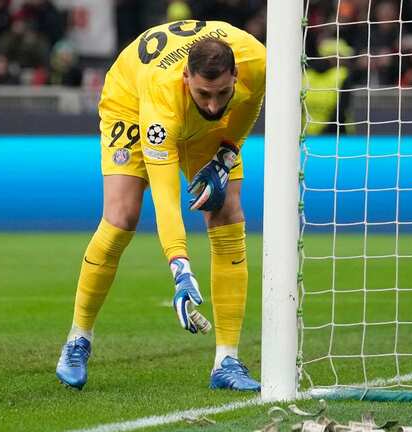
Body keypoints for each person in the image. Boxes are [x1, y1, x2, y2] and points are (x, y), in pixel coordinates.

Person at [55, 20, 265, 392]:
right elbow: (166, 197)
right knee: (122, 216)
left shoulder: (259, 63)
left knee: (227, 211)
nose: (214, 104)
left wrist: (228, 152)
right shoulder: (162, 99)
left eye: (221, 93)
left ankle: (227, 361)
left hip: (197, 125)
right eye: (204, 94)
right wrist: (181, 269)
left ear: (235, 74)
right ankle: (78, 339)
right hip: (131, 100)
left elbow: (250, 102)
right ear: (187, 78)